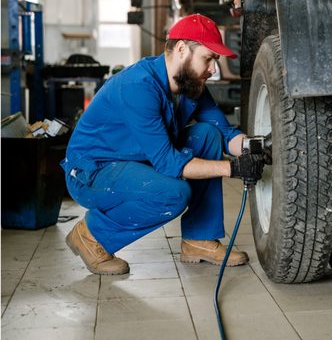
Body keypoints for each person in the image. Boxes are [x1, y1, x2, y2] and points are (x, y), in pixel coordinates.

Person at [61, 14, 266, 275]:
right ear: (182, 49)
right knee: (173, 193)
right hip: (94, 172)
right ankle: (91, 236)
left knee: (207, 135)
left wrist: (258, 148)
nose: (213, 69)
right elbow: (170, 163)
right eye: (209, 58)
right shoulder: (139, 87)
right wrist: (233, 169)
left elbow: (225, 133)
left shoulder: (191, 85)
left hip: (136, 160)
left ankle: (199, 239)